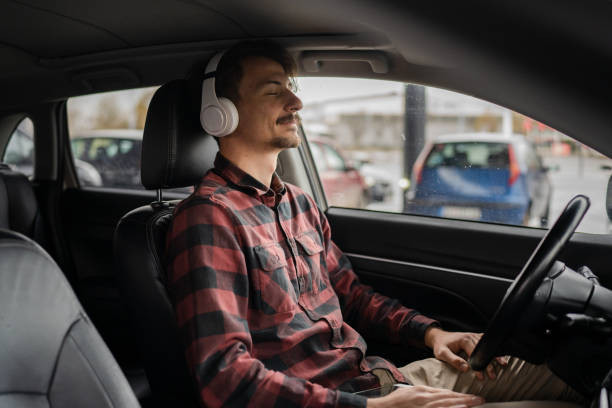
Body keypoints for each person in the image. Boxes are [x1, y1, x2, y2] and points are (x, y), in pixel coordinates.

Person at [165, 40, 584, 408]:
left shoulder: (298, 203)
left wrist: (432, 335)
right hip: (347, 400)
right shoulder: (209, 219)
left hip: (377, 381)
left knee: (574, 373)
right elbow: (225, 379)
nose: (296, 104)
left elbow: (353, 296)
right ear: (221, 114)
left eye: (292, 89)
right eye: (274, 91)